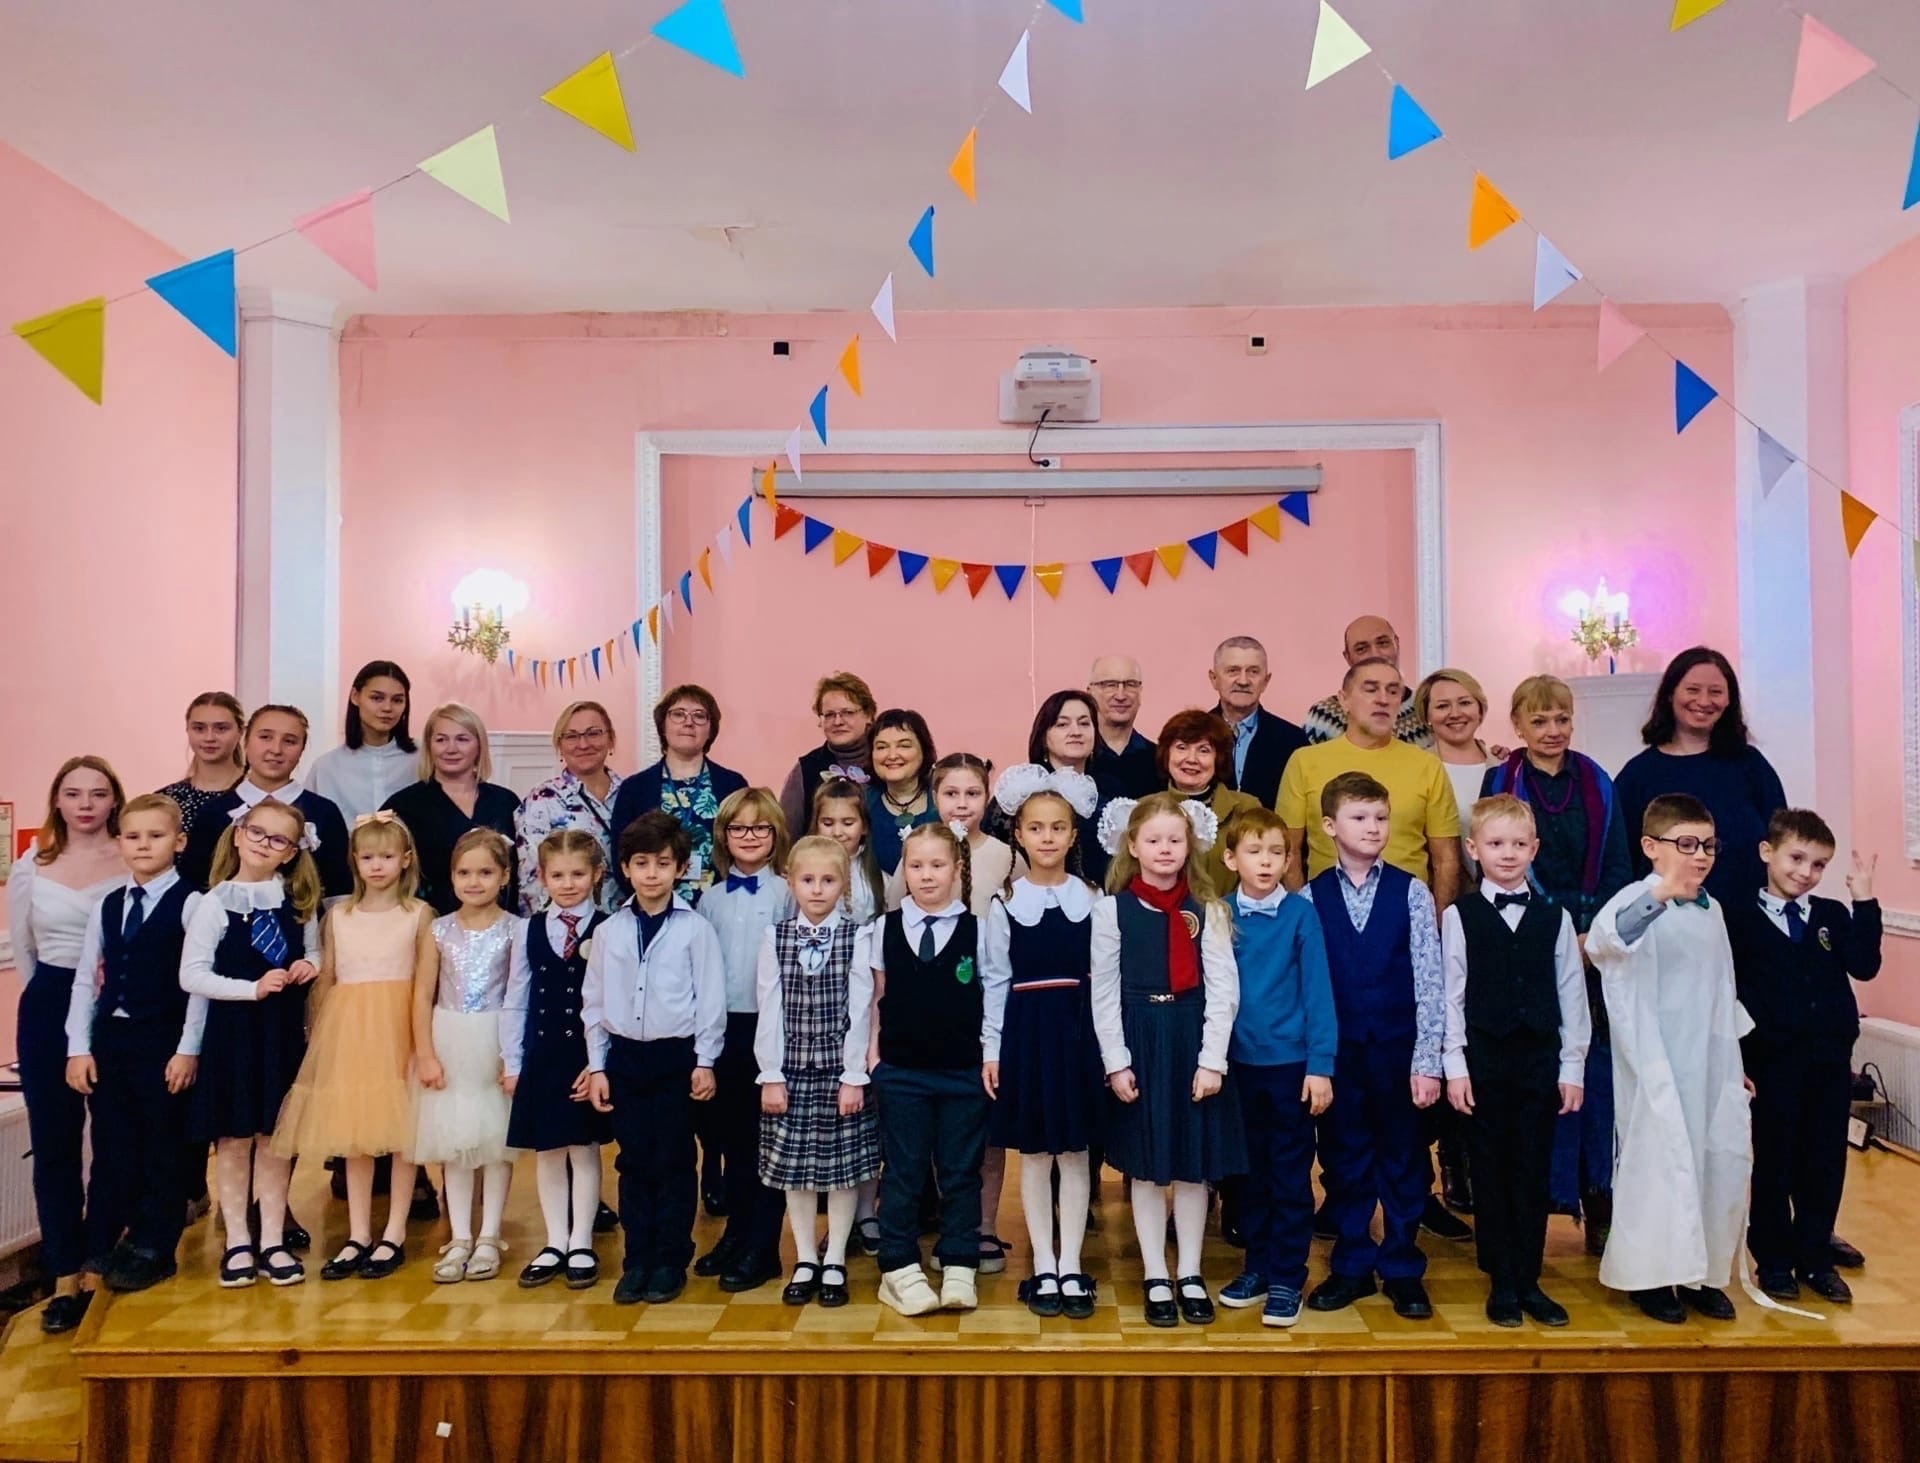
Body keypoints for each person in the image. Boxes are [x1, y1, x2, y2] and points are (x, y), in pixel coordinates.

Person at [1481, 676, 1632, 1255]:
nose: (1552, 731)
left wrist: (1597, 931)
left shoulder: (1597, 780)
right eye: (1539, 720)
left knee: (1594, 1074)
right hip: (1529, 934)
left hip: (1597, 941)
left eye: (1561, 719)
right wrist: (1554, 927)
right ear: (1518, 725)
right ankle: (1537, 1208)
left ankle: (1600, 1203)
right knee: (1539, 1070)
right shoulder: (1501, 781)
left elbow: (1618, 861)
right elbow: (1496, 855)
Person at [1586, 794, 1749, 1325]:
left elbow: (1723, 984)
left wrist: (1734, 1059)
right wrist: (1661, 894)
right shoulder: (1638, 899)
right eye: (1686, 844)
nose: (1699, 855)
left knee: (1714, 1160)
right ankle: (1651, 1276)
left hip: (1708, 1059)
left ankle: (1701, 1272)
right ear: (1651, 846)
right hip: (1657, 1061)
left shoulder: (1712, 910)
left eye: (1708, 846)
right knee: (1658, 1163)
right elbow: (1608, 942)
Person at [1090, 792, 1244, 1329]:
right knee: (1148, 1165)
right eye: (1152, 840)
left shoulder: (1209, 910)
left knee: (1193, 1166)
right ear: (1132, 846)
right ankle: (1156, 1272)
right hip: (1140, 1040)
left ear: (1189, 845)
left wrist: (1212, 1060)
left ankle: (1191, 1271)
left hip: (1191, 1038)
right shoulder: (1111, 911)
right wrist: (1116, 1061)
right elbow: (1103, 992)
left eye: (1174, 840)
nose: (1164, 849)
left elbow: (1223, 990)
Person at [1300, 773, 1445, 1321]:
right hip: (1339, 1055)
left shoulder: (1411, 892)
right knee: (1344, 1159)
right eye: (1359, 818)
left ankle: (1403, 1265)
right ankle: (1352, 1264)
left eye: (1381, 818)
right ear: (1330, 826)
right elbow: (1307, 986)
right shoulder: (1310, 897)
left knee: (1403, 1158)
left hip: (1398, 1052)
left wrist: (1427, 1060)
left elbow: (1429, 981)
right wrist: (1316, 1061)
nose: (1373, 828)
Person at [1442, 795, 1590, 1329]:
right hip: (1483, 1061)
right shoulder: (1459, 916)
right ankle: (1500, 1279)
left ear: (1535, 848)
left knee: (1532, 1169)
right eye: (1496, 843)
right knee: (1489, 1170)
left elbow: (1572, 994)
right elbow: (1451, 995)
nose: (1507, 854)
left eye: (1518, 844)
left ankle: (1529, 1278)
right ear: (1473, 848)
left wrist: (1571, 1067)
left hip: (1538, 1061)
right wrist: (1454, 1065)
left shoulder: (1556, 918)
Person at [273, 812, 434, 1283]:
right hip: (348, 1034)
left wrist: (423, 1046)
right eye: (367, 858)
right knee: (354, 1136)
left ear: (405, 860)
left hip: (399, 1030)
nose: (377, 866)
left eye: (386, 857)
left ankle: (395, 1231)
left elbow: (424, 987)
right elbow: (327, 980)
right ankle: (358, 1233)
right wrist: (318, 1036)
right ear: (355, 862)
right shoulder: (339, 916)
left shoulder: (418, 915)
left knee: (403, 1136)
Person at [1726, 811, 1880, 1306]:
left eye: (1818, 865)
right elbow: (1725, 989)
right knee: (1775, 1159)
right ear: (1767, 852)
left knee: (1823, 1161)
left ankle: (1815, 1256)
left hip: (1829, 1060)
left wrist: (1864, 900)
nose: (1805, 872)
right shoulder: (1737, 917)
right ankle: (1774, 1260)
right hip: (1770, 1061)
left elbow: (1865, 965)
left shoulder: (1831, 915)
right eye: (1796, 858)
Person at [63, 792, 207, 1294]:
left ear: (179, 842)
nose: (144, 845)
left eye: (156, 835)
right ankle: (104, 1242)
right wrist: (78, 1047)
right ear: (120, 842)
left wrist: (188, 1049)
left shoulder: (193, 903)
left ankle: (155, 1246)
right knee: (112, 1143)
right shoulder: (108, 904)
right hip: (112, 1040)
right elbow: (87, 979)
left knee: (163, 1144)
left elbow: (198, 984)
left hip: (163, 1039)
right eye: (133, 836)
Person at [587, 813, 727, 1306]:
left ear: (681, 868)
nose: (651, 873)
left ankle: (670, 1258)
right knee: (633, 1161)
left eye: (663, 864)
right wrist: (598, 1065)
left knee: (673, 1159)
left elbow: (710, 999)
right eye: (641, 863)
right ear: (625, 868)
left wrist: (705, 1060)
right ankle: (637, 1259)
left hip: (675, 1058)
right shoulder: (610, 931)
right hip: (625, 1058)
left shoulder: (695, 930)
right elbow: (594, 1001)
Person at [980, 765, 1105, 1321]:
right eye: (1036, 828)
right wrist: (991, 1049)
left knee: (1075, 1151)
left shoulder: (1093, 898)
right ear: (1019, 834)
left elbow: (1105, 978)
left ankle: (1072, 1262)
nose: (1047, 837)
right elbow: (994, 979)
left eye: (1058, 827)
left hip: (1079, 1032)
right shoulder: (1005, 902)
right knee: (1034, 1154)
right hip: (1027, 1033)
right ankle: (1045, 1263)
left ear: (1073, 835)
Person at [183, 798, 322, 1289]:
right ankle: (238, 1240)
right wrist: (251, 989)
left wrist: (311, 965)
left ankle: (273, 1239)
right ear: (239, 835)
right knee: (235, 1138)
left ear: (291, 852)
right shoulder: (212, 904)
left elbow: (316, 952)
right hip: (234, 1036)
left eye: (278, 839)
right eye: (257, 833)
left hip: (280, 1036)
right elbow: (192, 975)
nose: (265, 844)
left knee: (275, 1138)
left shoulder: (298, 902)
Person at [8, 757, 125, 1331]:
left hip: (117, 1008)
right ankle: (62, 1270)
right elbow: (24, 950)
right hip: (49, 1004)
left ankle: (99, 1258)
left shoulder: (131, 858)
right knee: (54, 1143)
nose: (85, 804)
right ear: (57, 800)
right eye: (74, 793)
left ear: (114, 800)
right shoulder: (32, 864)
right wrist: (52, 1008)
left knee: (114, 1138)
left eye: (98, 794)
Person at [1211, 806, 1335, 1331]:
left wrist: (1320, 1065)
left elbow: (1319, 993)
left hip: (1290, 1066)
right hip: (1237, 1066)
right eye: (1254, 851)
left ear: (1289, 860)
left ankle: (1287, 1275)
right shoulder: (1218, 915)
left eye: (1276, 853)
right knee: (1249, 1174)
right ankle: (1257, 1268)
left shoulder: (1301, 915)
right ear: (1230, 859)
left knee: (1288, 1174)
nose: (1266, 862)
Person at [753, 835, 880, 1310]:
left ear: (843, 885)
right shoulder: (776, 937)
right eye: (808, 880)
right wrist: (771, 1073)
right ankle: (806, 1257)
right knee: (797, 1173)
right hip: (790, 1071)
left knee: (842, 1171)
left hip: (838, 1073)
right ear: (791, 882)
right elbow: (770, 1006)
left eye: (828, 880)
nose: (818, 889)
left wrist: (853, 1074)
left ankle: (836, 1257)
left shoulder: (858, 936)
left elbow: (861, 1009)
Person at [869, 823, 990, 1317]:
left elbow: (993, 997)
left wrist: (989, 1056)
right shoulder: (884, 928)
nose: (926, 875)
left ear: (957, 869)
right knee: (904, 1171)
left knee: (961, 1171)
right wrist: (873, 1058)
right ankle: (897, 1265)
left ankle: (959, 1259)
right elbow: (875, 998)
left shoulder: (979, 930)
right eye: (915, 865)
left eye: (937, 865)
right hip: (902, 1071)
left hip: (962, 1072)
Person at [692, 789, 796, 1294]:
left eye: (760, 827)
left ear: (776, 834)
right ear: (723, 836)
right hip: (723, 1028)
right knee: (730, 1138)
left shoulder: (787, 893)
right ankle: (735, 1233)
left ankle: (764, 1245)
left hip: (771, 1028)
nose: (749, 836)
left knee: (764, 1141)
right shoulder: (709, 900)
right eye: (738, 828)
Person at [409, 828, 521, 1285]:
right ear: (452, 876)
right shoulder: (439, 930)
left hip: (495, 1038)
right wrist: (425, 1054)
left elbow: (518, 995)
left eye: (485, 872)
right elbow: (422, 995)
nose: (474, 882)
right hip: (449, 1037)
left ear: (504, 876)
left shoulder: (515, 929)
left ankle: (490, 1234)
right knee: (454, 1141)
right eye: (464, 873)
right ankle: (459, 1235)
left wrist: (512, 1055)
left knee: (496, 1140)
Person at [502, 830, 613, 1290]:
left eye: (578, 874)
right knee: (547, 1151)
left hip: (585, 1057)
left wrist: (600, 1062)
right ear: (542, 877)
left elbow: (612, 999)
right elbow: (516, 998)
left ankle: (582, 1240)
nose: (568, 884)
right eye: (558, 875)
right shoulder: (528, 929)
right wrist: (513, 1061)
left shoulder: (607, 927)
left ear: (597, 874)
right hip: (543, 1055)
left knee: (584, 1149)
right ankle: (555, 1241)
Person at [1277, 659, 1463, 910]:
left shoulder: (1427, 765)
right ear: (1344, 700)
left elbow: (1446, 859)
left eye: (1393, 691)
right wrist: (1301, 917)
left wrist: (1439, 922)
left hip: (1406, 913)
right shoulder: (1305, 762)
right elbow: (1288, 851)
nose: (1383, 699)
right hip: (1325, 912)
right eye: (1371, 689)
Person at [1614, 647, 1787, 906]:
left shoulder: (1751, 765)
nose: (1704, 701)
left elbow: (1781, 842)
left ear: (1729, 700)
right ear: (1670, 694)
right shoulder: (1638, 775)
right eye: (1692, 690)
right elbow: (1620, 860)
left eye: (1715, 692)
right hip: (1667, 920)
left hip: (1750, 917)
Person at [180, 705, 352, 898]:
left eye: (289, 741)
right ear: (245, 741)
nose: (276, 749)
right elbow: (193, 886)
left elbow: (338, 890)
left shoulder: (324, 812)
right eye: (265, 737)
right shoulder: (214, 812)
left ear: (302, 750)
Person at [610, 686, 745, 906]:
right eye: (678, 714)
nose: (688, 722)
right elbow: (620, 856)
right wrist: (649, 904)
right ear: (662, 726)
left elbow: (744, 849)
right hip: (654, 906)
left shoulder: (733, 784)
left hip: (722, 906)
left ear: (711, 729)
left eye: (699, 715)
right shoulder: (634, 788)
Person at [381, 702, 518, 916]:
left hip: (500, 923)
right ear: (429, 746)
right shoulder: (404, 806)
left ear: (479, 745)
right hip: (429, 923)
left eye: (462, 739)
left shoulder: (505, 802)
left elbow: (520, 874)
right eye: (441, 740)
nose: (451, 749)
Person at [986, 690, 1110, 884]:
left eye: (1085, 723)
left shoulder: (1107, 794)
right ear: (1043, 736)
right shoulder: (1019, 790)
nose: (1076, 732)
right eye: (1062, 724)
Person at [515, 700, 625, 914]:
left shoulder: (632, 792)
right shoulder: (542, 800)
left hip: (626, 923)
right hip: (566, 924)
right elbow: (532, 879)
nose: (583, 744)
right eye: (572, 736)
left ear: (610, 738)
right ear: (560, 745)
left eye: (593, 733)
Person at [887, 753, 1014, 918]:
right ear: (935, 798)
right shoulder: (916, 853)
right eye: (951, 794)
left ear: (986, 797)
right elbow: (894, 915)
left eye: (972, 793)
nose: (962, 804)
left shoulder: (1007, 857)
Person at [1156, 709, 1261, 902]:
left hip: (1231, 914)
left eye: (1203, 750)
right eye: (1181, 747)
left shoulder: (1246, 808)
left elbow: (1260, 871)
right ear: (1166, 753)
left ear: (1218, 758)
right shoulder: (1145, 809)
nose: (1191, 759)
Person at [307, 661, 417, 825]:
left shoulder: (422, 758)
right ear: (355, 696)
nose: (387, 708)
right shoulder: (326, 768)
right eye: (377, 698)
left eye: (397, 700)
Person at [1207, 636, 1310, 809]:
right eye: (1233, 671)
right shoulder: (1193, 736)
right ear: (1214, 678)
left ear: (1266, 681)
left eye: (1253, 672)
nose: (1243, 681)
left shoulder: (1293, 740)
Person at [1301, 616, 1432, 748]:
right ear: (1348, 657)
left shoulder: (1426, 707)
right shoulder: (1325, 715)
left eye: (1383, 643)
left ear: (1396, 644)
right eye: (1362, 649)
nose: (1375, 654)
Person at [1414, 670, 1501, 861]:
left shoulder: (1505, 767)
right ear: (1427, 715)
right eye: (1442, 706)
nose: (1455, 713)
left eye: (1465, 703)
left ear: (1480, 710)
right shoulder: (1415, 769)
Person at [778, 672, 878, 835]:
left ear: (868, 715)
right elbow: (786, 837)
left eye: (848, 712)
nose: (838, 722)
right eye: (829, 715)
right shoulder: (806, 769)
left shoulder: (885, 762)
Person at [864, 709, 939, 876]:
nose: (892, 755)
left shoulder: (943, 801)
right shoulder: (861, 803)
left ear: (924, 750)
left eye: (904, 746)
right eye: (881, 747)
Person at [158, 692, 245, 831]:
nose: (209, 738)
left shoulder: (258, 793)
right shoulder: (166, 800)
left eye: (221, 728)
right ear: (187, 730)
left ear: (240, 731)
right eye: (199, 728)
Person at [814, 777, 886, 928]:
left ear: (864, 827)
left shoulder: (879, 879)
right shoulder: (802, 873)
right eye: (828, 823)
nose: (837, 832)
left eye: (847, 823)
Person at [1087, 656, 1159, 798]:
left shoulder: (1160, 759)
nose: (1120, 696)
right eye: (1110, 685)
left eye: (1130, 685)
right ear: (1090, 692)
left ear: (1140, 692)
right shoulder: (1075, 756)